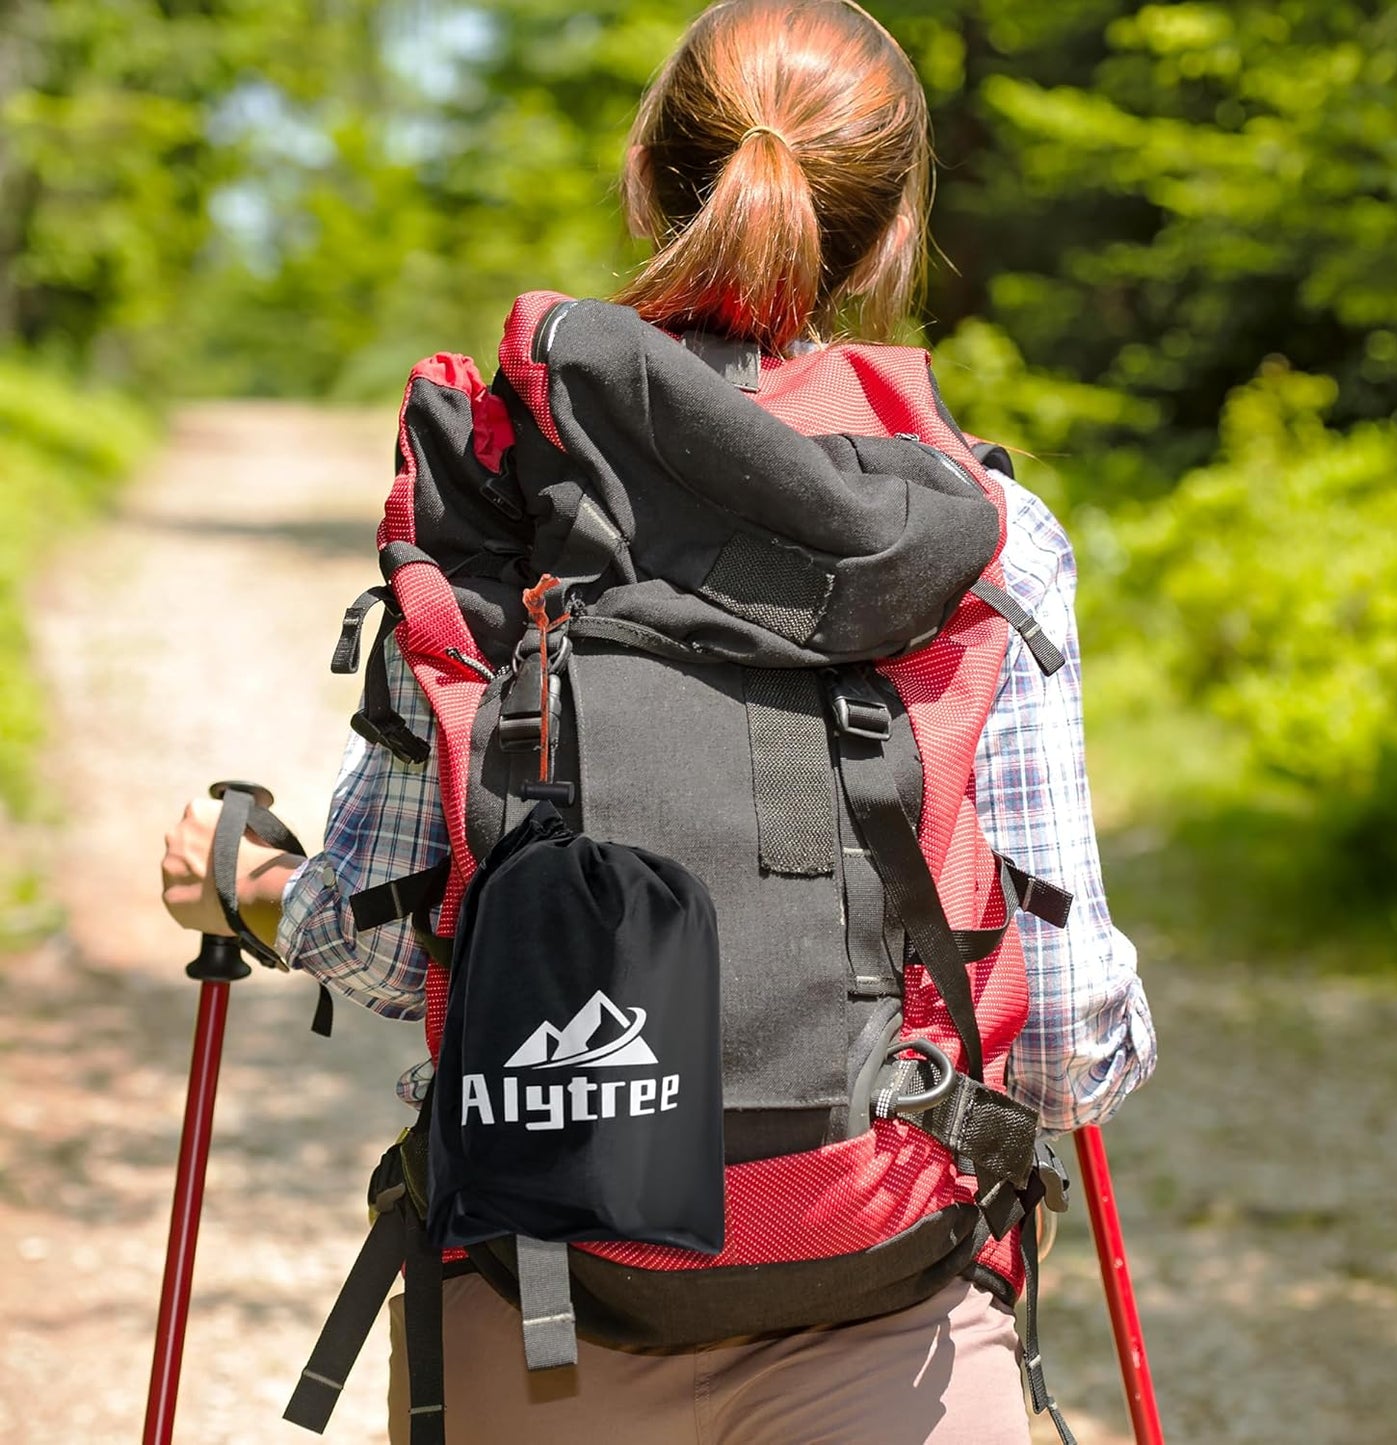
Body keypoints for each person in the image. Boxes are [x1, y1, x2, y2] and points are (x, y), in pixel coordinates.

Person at [161, 3, 1156, 1440]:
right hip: (888, 1317)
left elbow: (386, 943)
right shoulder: (981, 534)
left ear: (647, 175)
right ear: (889, 230)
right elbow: (1062, 1040)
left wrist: (245, 881)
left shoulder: (494, 486)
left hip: (547, 1324)